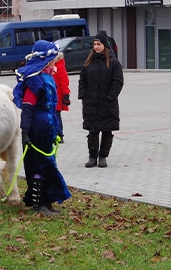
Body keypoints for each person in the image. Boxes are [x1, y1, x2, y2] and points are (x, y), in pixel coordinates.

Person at [13, 40, 71, 215]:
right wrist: (25, 132)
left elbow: (52, 106)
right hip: (37, 127)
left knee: (48, 164)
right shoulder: (34, 80)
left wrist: (57, 130)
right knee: (38, 165)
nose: (54, 62)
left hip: (48, 125)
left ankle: (47, 201)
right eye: (52, 59)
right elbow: (28, 108)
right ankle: (38, 204)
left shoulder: (48, 76)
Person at [78, 30, 124, 168]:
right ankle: (92, 156)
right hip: (91, 103)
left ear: (104, 45)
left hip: (107, 103)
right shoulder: (88, 61)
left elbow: (118, 82)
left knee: (106, 130)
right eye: (94, 44)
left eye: (98, 44)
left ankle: (103, 156)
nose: (96, 47)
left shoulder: (113, 62)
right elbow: (82, 80)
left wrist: (110, 97)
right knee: (92, 131)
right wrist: (83, 95)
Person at [53, 51, 71, 143]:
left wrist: (66, 95)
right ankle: (56, 134)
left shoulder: (59, 67)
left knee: (56, 115)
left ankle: (59, 134)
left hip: (58, 96)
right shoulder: (54, 67)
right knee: (54, 115)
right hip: (54, 95)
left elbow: (64, 82)